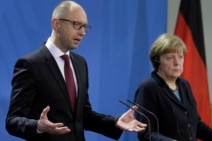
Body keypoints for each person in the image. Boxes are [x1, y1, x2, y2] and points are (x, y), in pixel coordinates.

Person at [5, 1, 147, 141]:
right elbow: (12, 121)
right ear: (56, 24)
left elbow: (83, 116)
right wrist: (38, 126)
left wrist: (115, 122)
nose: (83, 32)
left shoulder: (80, 63)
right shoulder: (31, 64)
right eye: (76, 24)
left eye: (85, 26)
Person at [133, 33, 212, 141]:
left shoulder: (184, 85)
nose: (177, 63)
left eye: (180, 57)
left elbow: (195, 126)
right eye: (170, 58)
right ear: (157, 61)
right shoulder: (148, 88)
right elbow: (146, 134)